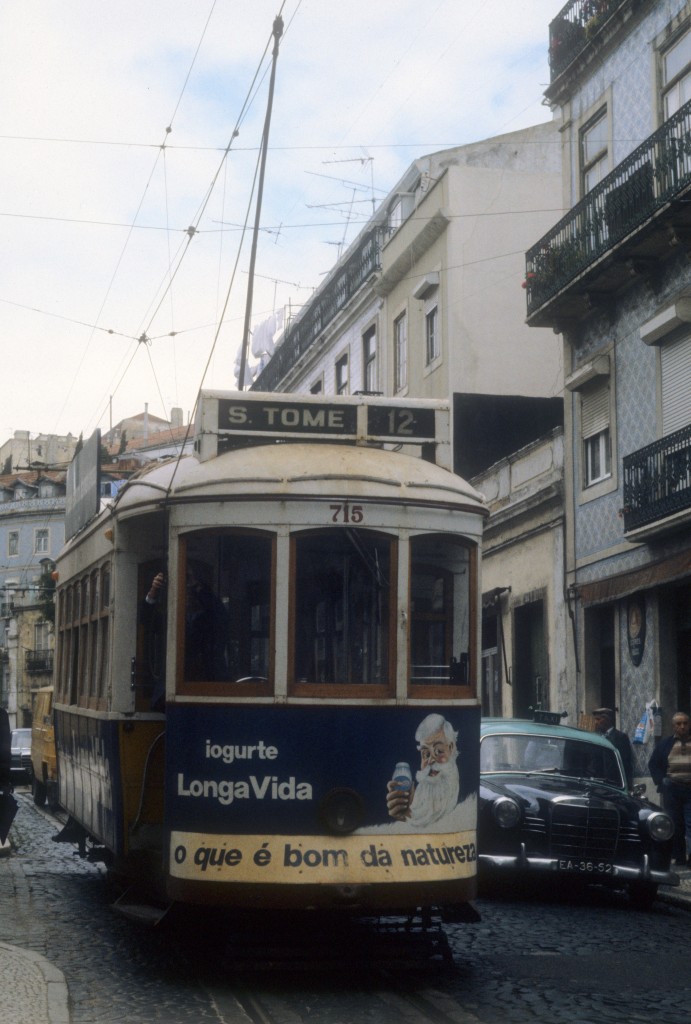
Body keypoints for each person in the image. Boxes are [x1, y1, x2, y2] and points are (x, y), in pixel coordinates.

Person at [386, 713, 460, 830]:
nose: (430, 760)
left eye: (438, 751)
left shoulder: (462, 802)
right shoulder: (420, 793)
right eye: (426, 754)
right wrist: (406, 815)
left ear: (450, 748)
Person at [648, 711, 691, 867]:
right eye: (679, 724)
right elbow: (653, 764)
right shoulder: (665, 744)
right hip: (672, 790)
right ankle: (679, 856)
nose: (682, 726)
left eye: (685, 723)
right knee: (675, 823)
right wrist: (661, 780)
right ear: (673, 726)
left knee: (690, 823)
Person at [592, 707, 634, 789]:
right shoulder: (596, 737)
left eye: (598, 719)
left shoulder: (620, 737)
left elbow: (625, 762)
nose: (596, 722)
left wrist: (627, 785)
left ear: (607, 719)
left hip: (615, 783)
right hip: (598, 783)